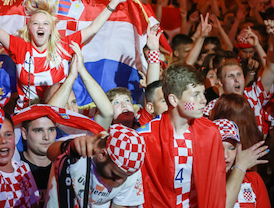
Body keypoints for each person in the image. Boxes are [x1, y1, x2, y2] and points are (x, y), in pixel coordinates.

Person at [0, 0, 129, 111]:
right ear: (29, 28)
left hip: (59, 113)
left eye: (46, 23)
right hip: (25, 114)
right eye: (36, 23)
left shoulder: (63, 47)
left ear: (51, 29)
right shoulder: (20, 48)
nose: (41, 26)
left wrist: (113, 3)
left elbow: (92, 29)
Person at [137, 64, 226, 207]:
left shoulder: (210, 132)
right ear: (173, 100)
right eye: (195, 95)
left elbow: (216, 187)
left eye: (203, 93)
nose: (203, 100)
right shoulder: (145, 137)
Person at [46, 124, 146, 207]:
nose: (121, 181)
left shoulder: (129, 171)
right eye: (115, 175)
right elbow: (50, 153)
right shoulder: (81, 146)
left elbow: (120, 205)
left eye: (125, 177)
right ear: (102, 154)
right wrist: (69, 147)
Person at [213, 119, 270, 208]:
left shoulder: (253, 179)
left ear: (239, 149)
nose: (225, 155)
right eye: (219, 147)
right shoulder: (202, 182)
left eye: (231, 148)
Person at [19, 115, 57, 206]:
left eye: (51, 130)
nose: (46, 137)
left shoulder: (63, 165)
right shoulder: (14, 165)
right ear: (24, 133)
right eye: (39, 130)